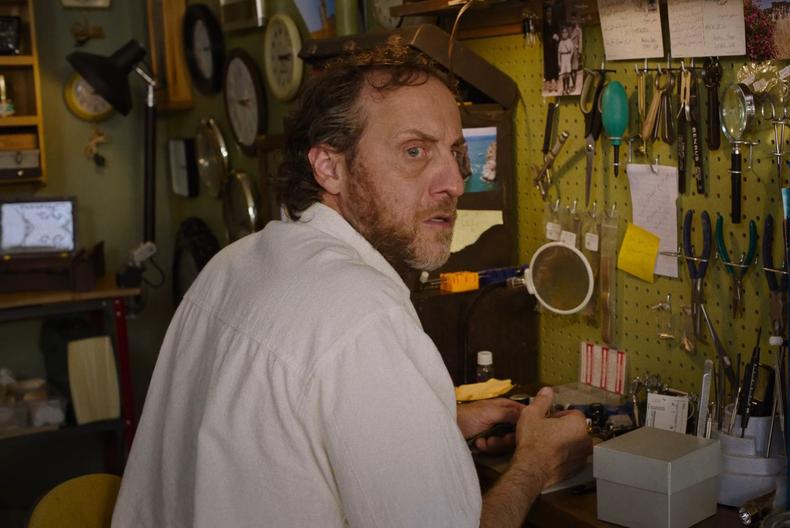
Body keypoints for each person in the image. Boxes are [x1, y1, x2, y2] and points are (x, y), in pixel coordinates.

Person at [111, 41, 592, 527]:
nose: (454, 183)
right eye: (414, 151)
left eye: (455, 153)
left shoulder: (231, 264)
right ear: (330, 167)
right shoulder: (363, 312)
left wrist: (434, 426)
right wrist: (534, 463)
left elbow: (265, 437)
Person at [557, 27, 574, 95]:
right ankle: (564, 89)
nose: (564, 34)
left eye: (566, 32)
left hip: (568, 57)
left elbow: (572, 50)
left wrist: (570, 56)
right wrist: (559, 61)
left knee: (568, 73)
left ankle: (568, 88)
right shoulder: (561, 42)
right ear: (562, 34)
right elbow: (558, 53)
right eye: (563, 33)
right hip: (563, 57)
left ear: (567, 33)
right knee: (564, 74)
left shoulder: (569, 41)